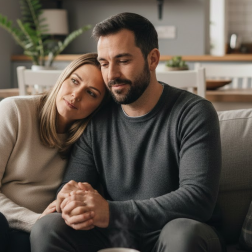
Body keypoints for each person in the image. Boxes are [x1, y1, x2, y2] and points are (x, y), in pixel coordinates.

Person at [30, 12, 224, 252]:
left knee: (182, 234)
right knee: (48, 228)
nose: (111, 75)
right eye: (104, 63)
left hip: (176, 231)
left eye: (123, 60)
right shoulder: (97, 116)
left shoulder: (194, 112)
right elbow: (75, 183)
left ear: (152, 59)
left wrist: (111, 212)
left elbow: (197, 200)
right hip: (115, 233)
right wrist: (70, 199)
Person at [0, 53, 109, 252]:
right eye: (74, 81)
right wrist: (35, 221)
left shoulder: (87, 144)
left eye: (91, 93)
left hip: (19, 231)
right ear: (63, 78)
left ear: (99, 106)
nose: (76, 94)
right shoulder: (15, 110)